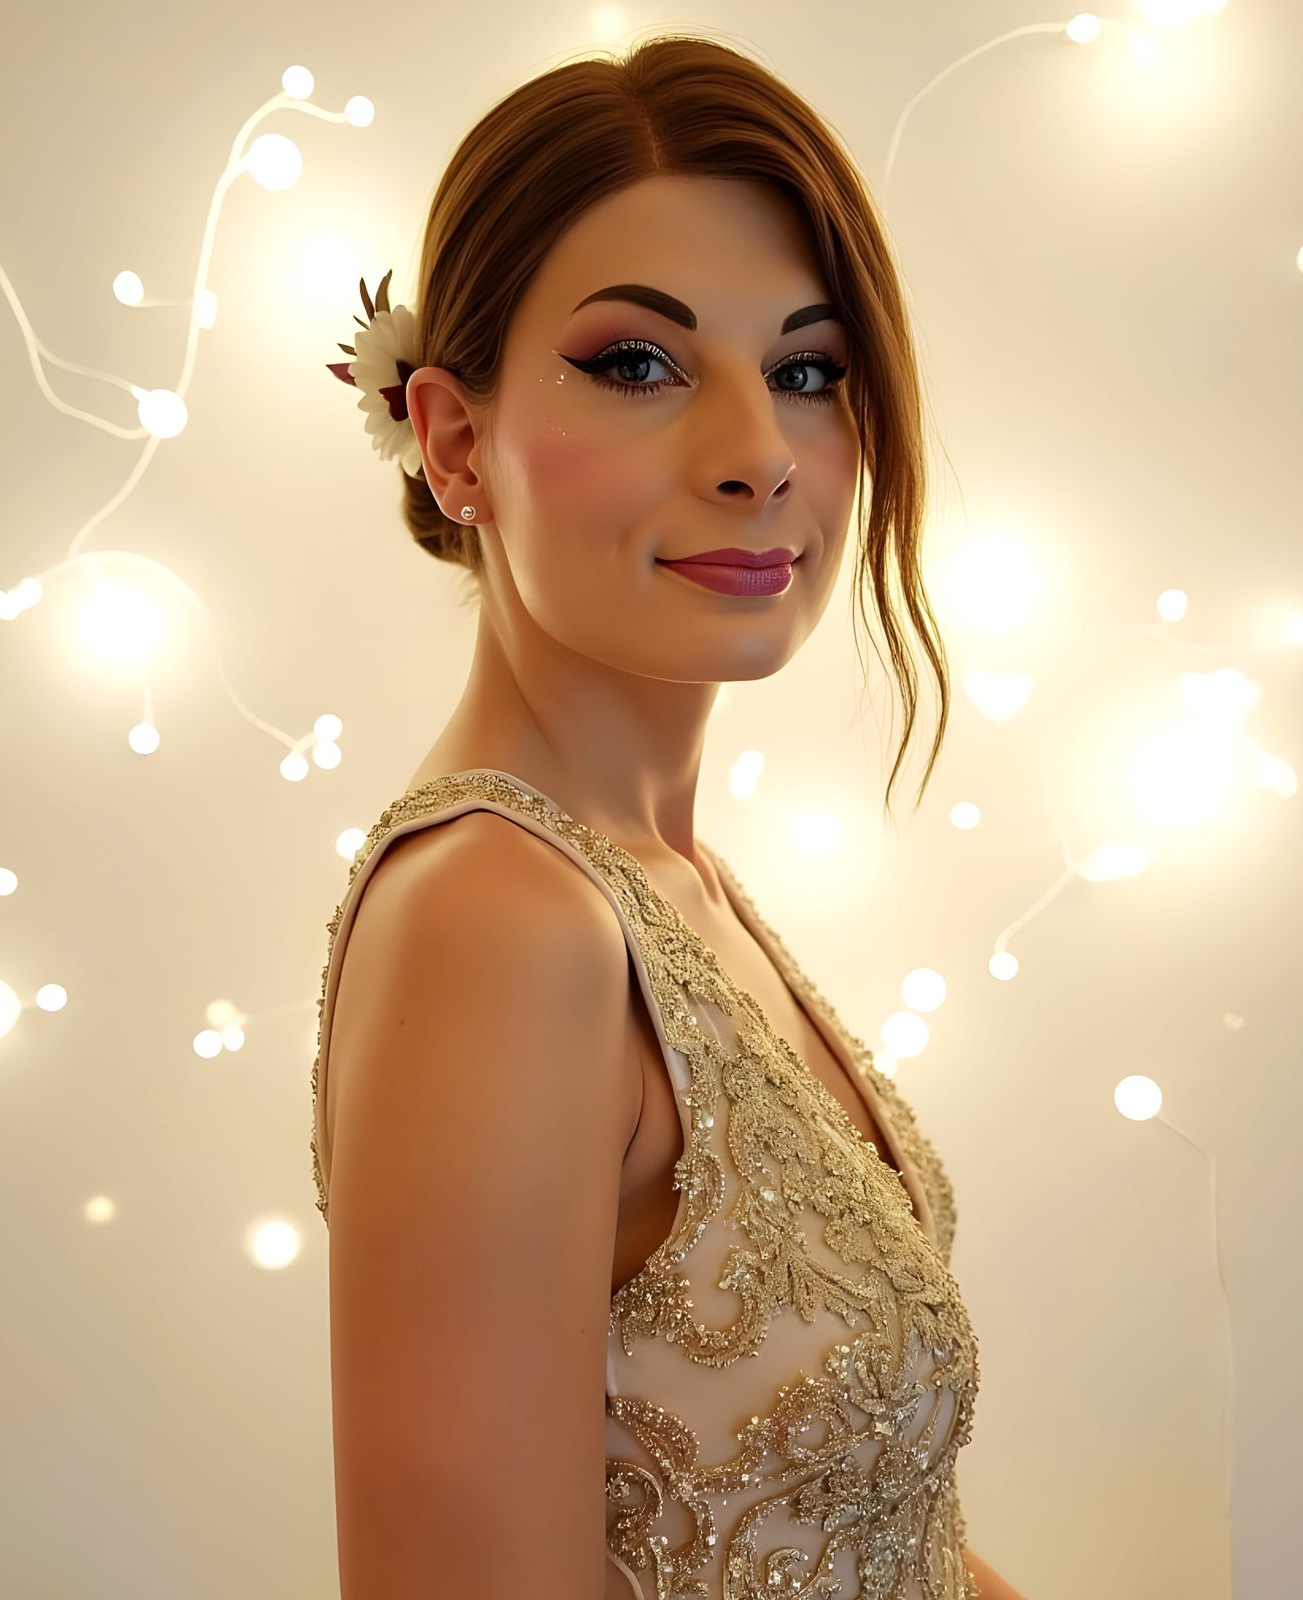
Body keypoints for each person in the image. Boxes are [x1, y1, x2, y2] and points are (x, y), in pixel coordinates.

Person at [311, 32, 1027, 1600]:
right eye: (638, 363)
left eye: (808, 370)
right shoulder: (504, 922)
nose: (758, 457)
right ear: (449, 442)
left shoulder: (669, 882)